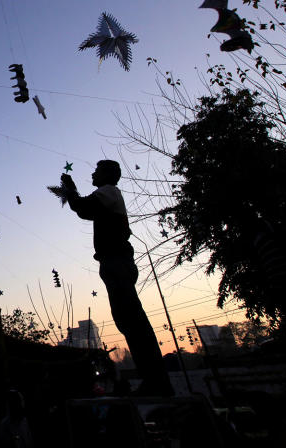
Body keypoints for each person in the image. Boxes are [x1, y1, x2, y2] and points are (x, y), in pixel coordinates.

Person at [57, 160, 173, 396]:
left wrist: (70, 189)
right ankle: (153, 378)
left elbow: (82, 207)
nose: (92, 172)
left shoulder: (108, 192)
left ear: (107, 175)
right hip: (115, 262)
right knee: (128, 319)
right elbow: (84, 209)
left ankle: (156, 381)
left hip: (116, 262)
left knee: (132, 320)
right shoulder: (108, 195)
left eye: (97, 171)